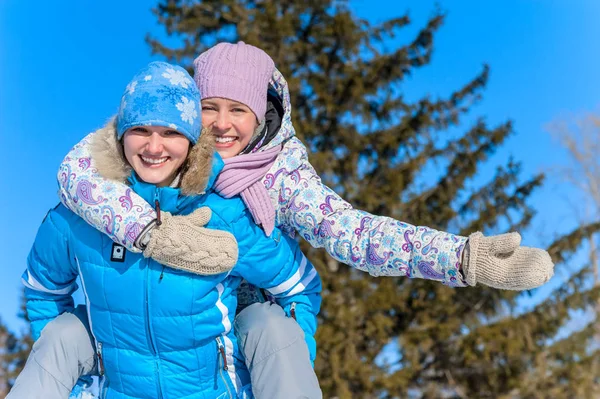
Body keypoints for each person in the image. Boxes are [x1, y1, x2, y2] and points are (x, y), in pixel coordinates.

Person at [14, 42, 555, 398]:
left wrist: (461, 257)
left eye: (239, 111)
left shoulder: (280, 175)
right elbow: (78, 170)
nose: (222, 125)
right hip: (136, 333)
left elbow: (356, 235)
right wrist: (148, 232)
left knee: (271, 327)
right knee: (66, 333)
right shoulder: (136, 159)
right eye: (209, 107)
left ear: (262, 115)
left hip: (234, 333)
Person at [9, 61, 321, 399]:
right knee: (65, 331)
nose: (154, 148)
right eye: (141, 130)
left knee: (268, 322)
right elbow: (43, 290)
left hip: (211, 392)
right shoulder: (80, 217)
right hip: (119, 391)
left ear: (191, 141)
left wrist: (292, 361)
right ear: (122, 134)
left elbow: (298, 286)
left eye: (171, 132)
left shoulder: (223, 212)